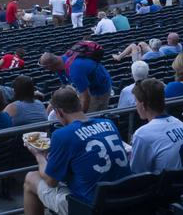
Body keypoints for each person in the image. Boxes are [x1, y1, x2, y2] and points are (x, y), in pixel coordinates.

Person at [23, 87, 130, 215]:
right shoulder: (109, 123)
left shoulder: (61, 135)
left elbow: (51, 181)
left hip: (90, 208)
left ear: (59, 112)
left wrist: (39, 155)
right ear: (79, 104)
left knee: (31, 178)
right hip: (124, 199)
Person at [130, 79, 183, 173]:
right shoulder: (179, 123)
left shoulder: (142, 134)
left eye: (136, 102)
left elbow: (137, 173)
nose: (135, 105)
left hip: (170, 181)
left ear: (143, 105)